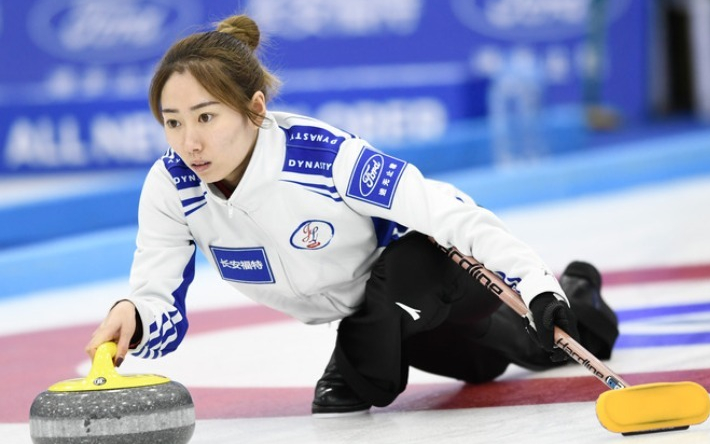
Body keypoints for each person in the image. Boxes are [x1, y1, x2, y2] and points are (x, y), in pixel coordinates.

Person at [85, 14, 618, 416]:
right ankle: (582, 294)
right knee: (487, 360)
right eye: (173, 122)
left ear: (255, 108)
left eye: (206, 117)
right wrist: (134, 315)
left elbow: (447, 211)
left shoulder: (324, 158)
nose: (189, 142)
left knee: (363, 379)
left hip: (431, 271)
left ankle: (558, 296)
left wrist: (537, 287)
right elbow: (158, 297)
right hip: (386, 310)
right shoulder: (171, 187)